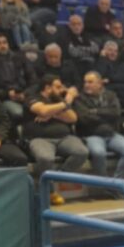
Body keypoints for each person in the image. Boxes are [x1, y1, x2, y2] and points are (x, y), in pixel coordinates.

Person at [24, 74, 89, 205]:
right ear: (48, 88)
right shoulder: (33, 97)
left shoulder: (57, 99)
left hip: (64, 137)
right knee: (45, 158)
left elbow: (72, 118)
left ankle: (55, 178)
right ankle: (48, 192)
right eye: (58, 87)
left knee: (82, 152)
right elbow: (42, 110)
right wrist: (64, 103)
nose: (61, 89)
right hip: (40, 138)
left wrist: (52, 113)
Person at [73, 71, 124, 184]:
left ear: (99, 83)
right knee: (99, 153)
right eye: (85, 82)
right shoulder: (79, 98)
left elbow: (116, 113)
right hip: (91, 134)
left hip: (111, 134)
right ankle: (105, 184)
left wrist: (95, 111)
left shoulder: (110, 95)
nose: (86, 85)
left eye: (90, 82)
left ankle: (116, 183)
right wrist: (106, 116)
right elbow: (84, 118)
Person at [0, 32, 35, 111]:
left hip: (25, 93)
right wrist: (6, 94)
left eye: (5, 42)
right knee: (18, 112)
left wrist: (25, 93)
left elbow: (33, 79)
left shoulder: (19, 58)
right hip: (4, 98)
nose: (3, 46)